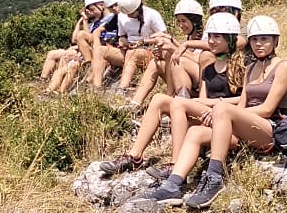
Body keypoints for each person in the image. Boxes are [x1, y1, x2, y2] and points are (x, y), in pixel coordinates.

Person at [166, 15, 287, 208]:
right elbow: (242, 106)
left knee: (223, 109)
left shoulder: (283, 66)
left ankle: (214, 177)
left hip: (271, 129)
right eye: (254, 39)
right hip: (247, 127)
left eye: (264, 39)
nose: (258, 44)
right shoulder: (251, 68)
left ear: (275, 41)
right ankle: (173, 184)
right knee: (195, 132)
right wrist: (221, 118)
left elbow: (268, 109)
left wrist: (223, 112)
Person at [99, 13, 242, 177]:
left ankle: (175, 164)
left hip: (227, 123)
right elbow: (204, 98)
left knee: (178, 103)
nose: (211, 41)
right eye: (210, 37)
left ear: (230, 39)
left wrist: (218, 105)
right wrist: (202, 104)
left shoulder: (239, 65)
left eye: (217, 37)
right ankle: (134, 156)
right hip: (207, 115)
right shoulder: (209, 67)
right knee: (159, 99)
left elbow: (244, 101)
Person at [125, 0, 207, 110]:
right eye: (179, 21)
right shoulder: (189, 37)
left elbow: (197, 60)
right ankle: (135, 103)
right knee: (156, 63)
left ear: (195, 21)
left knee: (174, 56)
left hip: (201, 80)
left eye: (184, 21)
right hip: (188, 76)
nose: (181, 25)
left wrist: (172, 47)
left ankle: (171, 98)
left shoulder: (206, 37)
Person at [44, 0, 106, 82]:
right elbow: (74, 39)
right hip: (83, 47)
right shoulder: (94, 22)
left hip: (92, 49)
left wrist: (85, 20)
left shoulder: (104, 22)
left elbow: (87, 37)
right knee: (52, 54)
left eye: (92, 9)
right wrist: (81, 21)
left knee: (65, 56)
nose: (90, 12)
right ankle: (44, 78)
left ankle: (57, 81)